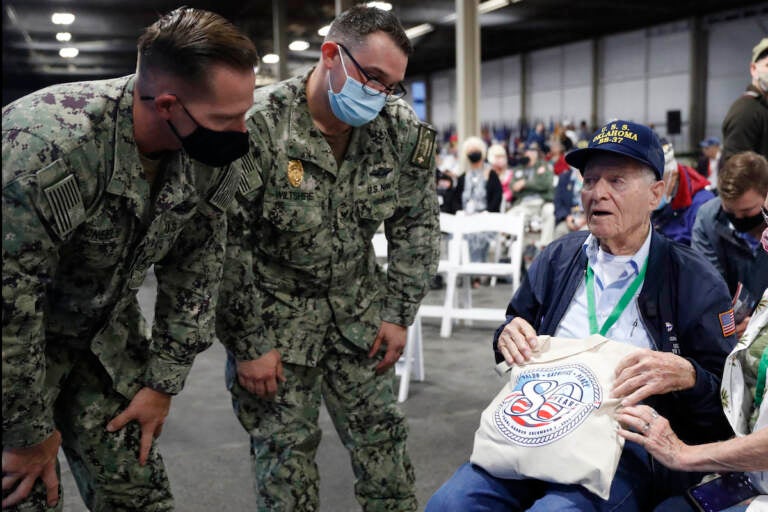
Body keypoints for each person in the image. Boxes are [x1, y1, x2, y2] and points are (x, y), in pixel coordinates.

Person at [2, 8, 258, 511]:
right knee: (23, 495)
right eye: (226, 119)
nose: (240, 131)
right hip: (14, 352)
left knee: (138, 497)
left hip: (103, 339)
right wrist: (26, 433)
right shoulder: (46, 148)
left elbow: (198, 268)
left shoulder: (207, 153)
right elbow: (9, 310)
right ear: (167, 105)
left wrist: (163, 382)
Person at [426, 120, 736, 511]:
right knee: (449, 506)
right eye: (590, 181)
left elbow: (726, 407)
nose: (597, 193)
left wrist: (687, 377)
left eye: (617, 181)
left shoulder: (695, 282)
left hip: (631, 444)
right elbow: (514, 329)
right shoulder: (558, 259)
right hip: (539, 426)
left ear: (656, 192)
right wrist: (507, 335)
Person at [215, 6, 440, 511]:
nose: (380, 95)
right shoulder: (259, 127)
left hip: (360, 321)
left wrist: (398, 313)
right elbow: (224, 247)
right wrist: (249, 344)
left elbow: (418, 224)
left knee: (385, 452)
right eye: (373, 78)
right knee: (285, 463)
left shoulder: (397, 128)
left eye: (392, 86)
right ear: (331, 55)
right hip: (275, 328)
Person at [618, 190, 768, 511]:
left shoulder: (692, 273)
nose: (764, 238)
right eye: (766, 217)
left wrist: (684, 454)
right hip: (744, 470)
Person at [692, 151, 768, 336]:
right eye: (730, 211)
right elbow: (707, 282)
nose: (738, 218)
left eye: (747, 211)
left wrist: (761, 323)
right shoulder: (708, 219)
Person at [652, 138, 714, 246]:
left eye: (657, 183)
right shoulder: (665, 200)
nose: (651, 192)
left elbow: (704, 258)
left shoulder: (702, 206)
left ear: (673, 175)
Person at [721, 37, 768, 164]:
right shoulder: (746, 111)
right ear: (754, 69)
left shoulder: (763, 108)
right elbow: (737, 173)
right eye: (767, 65)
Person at [488, 143, 514, 208]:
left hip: (507, 204)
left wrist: (504, 197)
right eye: (497, 156)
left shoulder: (510, 173)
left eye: (502, 156)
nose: (500, 159)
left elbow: (512, 190)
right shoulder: (487, 173)